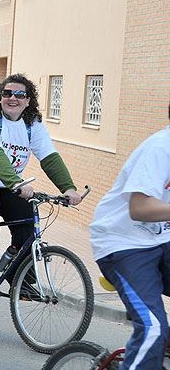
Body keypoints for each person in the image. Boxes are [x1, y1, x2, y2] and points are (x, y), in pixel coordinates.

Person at [0, 73, 81, 297]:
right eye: (7, 93)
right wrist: (16, 182)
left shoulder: (32, 124)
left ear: (28, 100)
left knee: (28, 226)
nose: (13, 98)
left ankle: (16, 274)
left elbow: (49, 157)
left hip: (9, 185)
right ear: (0, 97)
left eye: (19, 94)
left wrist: (68, 188)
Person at [88, 104, 170, 370]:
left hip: (162, 239)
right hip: (124, 244)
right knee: (153, 328)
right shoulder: (160, 148)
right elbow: (139, 207)